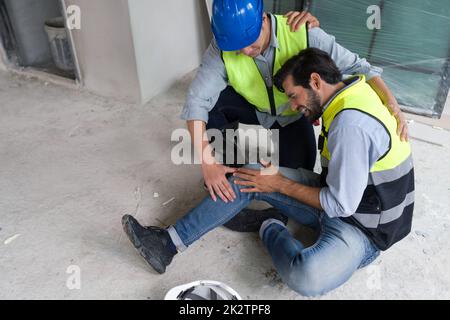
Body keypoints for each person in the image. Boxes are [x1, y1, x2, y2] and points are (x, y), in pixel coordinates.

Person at [122, 48, 414, 296]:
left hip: (363, 229)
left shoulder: (350, 126)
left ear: (315, 81)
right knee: (251, 174)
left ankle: (270, 226)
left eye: (293, 95)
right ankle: (167, 243)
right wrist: (272, 183)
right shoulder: (352, 92)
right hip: (342, 196)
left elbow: (341, 204)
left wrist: (280, 186)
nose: (292, 104)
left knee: (306, 276)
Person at [184, 0, 408, 230]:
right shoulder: (222, 46)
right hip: (252, 110)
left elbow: (363, 69)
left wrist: (392, 103)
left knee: (299, 178)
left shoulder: (305, 33)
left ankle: (264, 197)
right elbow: (196, 101)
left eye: (249, 45)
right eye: (236, 47)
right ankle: (226, 176)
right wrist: (207, 162)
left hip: (290, 118)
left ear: (263, 20)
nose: (244, 53)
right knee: (210, 106)